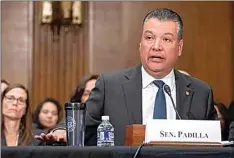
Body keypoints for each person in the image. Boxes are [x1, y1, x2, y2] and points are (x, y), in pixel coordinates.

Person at [35, 8, 217, 145]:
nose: (156, 46)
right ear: (140, 44)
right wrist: (62, 131)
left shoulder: (200, 93)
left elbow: (215, 146)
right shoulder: (110, 85)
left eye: (166, 39)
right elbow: (81, 121)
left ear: (179, 47)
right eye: (149, 38)